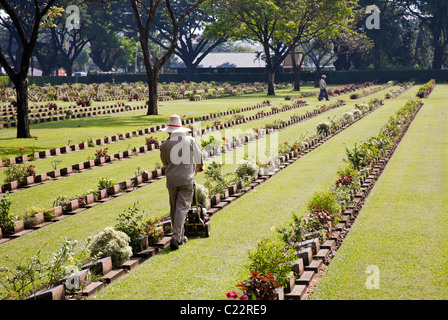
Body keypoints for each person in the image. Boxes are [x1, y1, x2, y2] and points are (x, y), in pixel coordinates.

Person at [160, 115, 203, 250]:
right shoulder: (190, 140)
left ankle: (180, 236)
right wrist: (198, 168)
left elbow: (165, 162)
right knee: (182, 208)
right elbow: (199, 157)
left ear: (168, 131)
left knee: (174, 208)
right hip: (186, 178)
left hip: (172, 179)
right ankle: (176, 237)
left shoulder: (164, 145)